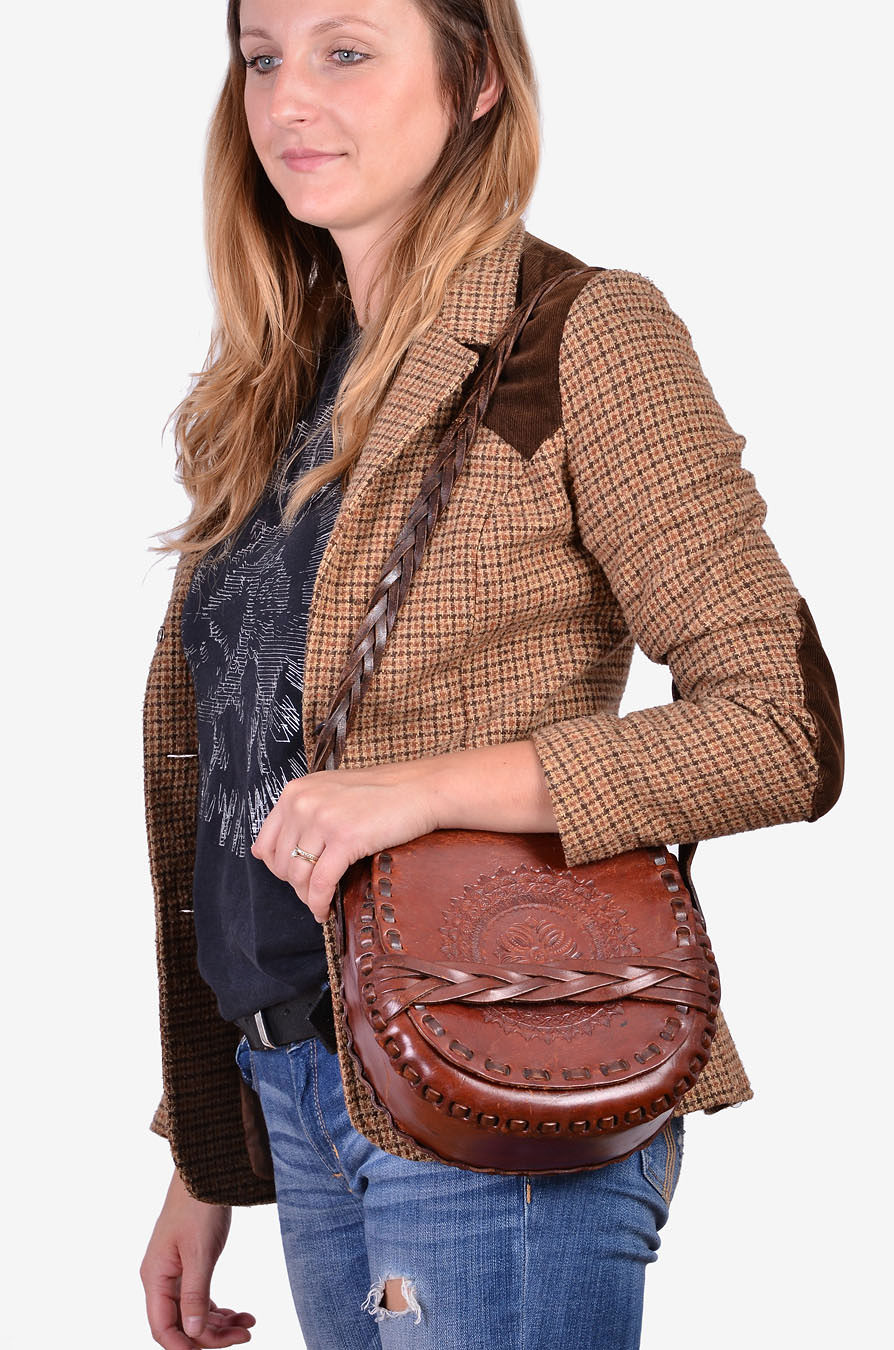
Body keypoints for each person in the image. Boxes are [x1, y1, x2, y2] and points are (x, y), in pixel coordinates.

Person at [139, 2, 844, 1347]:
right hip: (300, 1084)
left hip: (494, 1077)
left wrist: (428, 789)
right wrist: (205, 1144)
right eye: (262, 57)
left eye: (347, 51)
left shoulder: (577, 334)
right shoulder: (279, 383)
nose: (288, 99)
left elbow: (778, 728)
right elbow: (245, 778)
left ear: (473, 79)